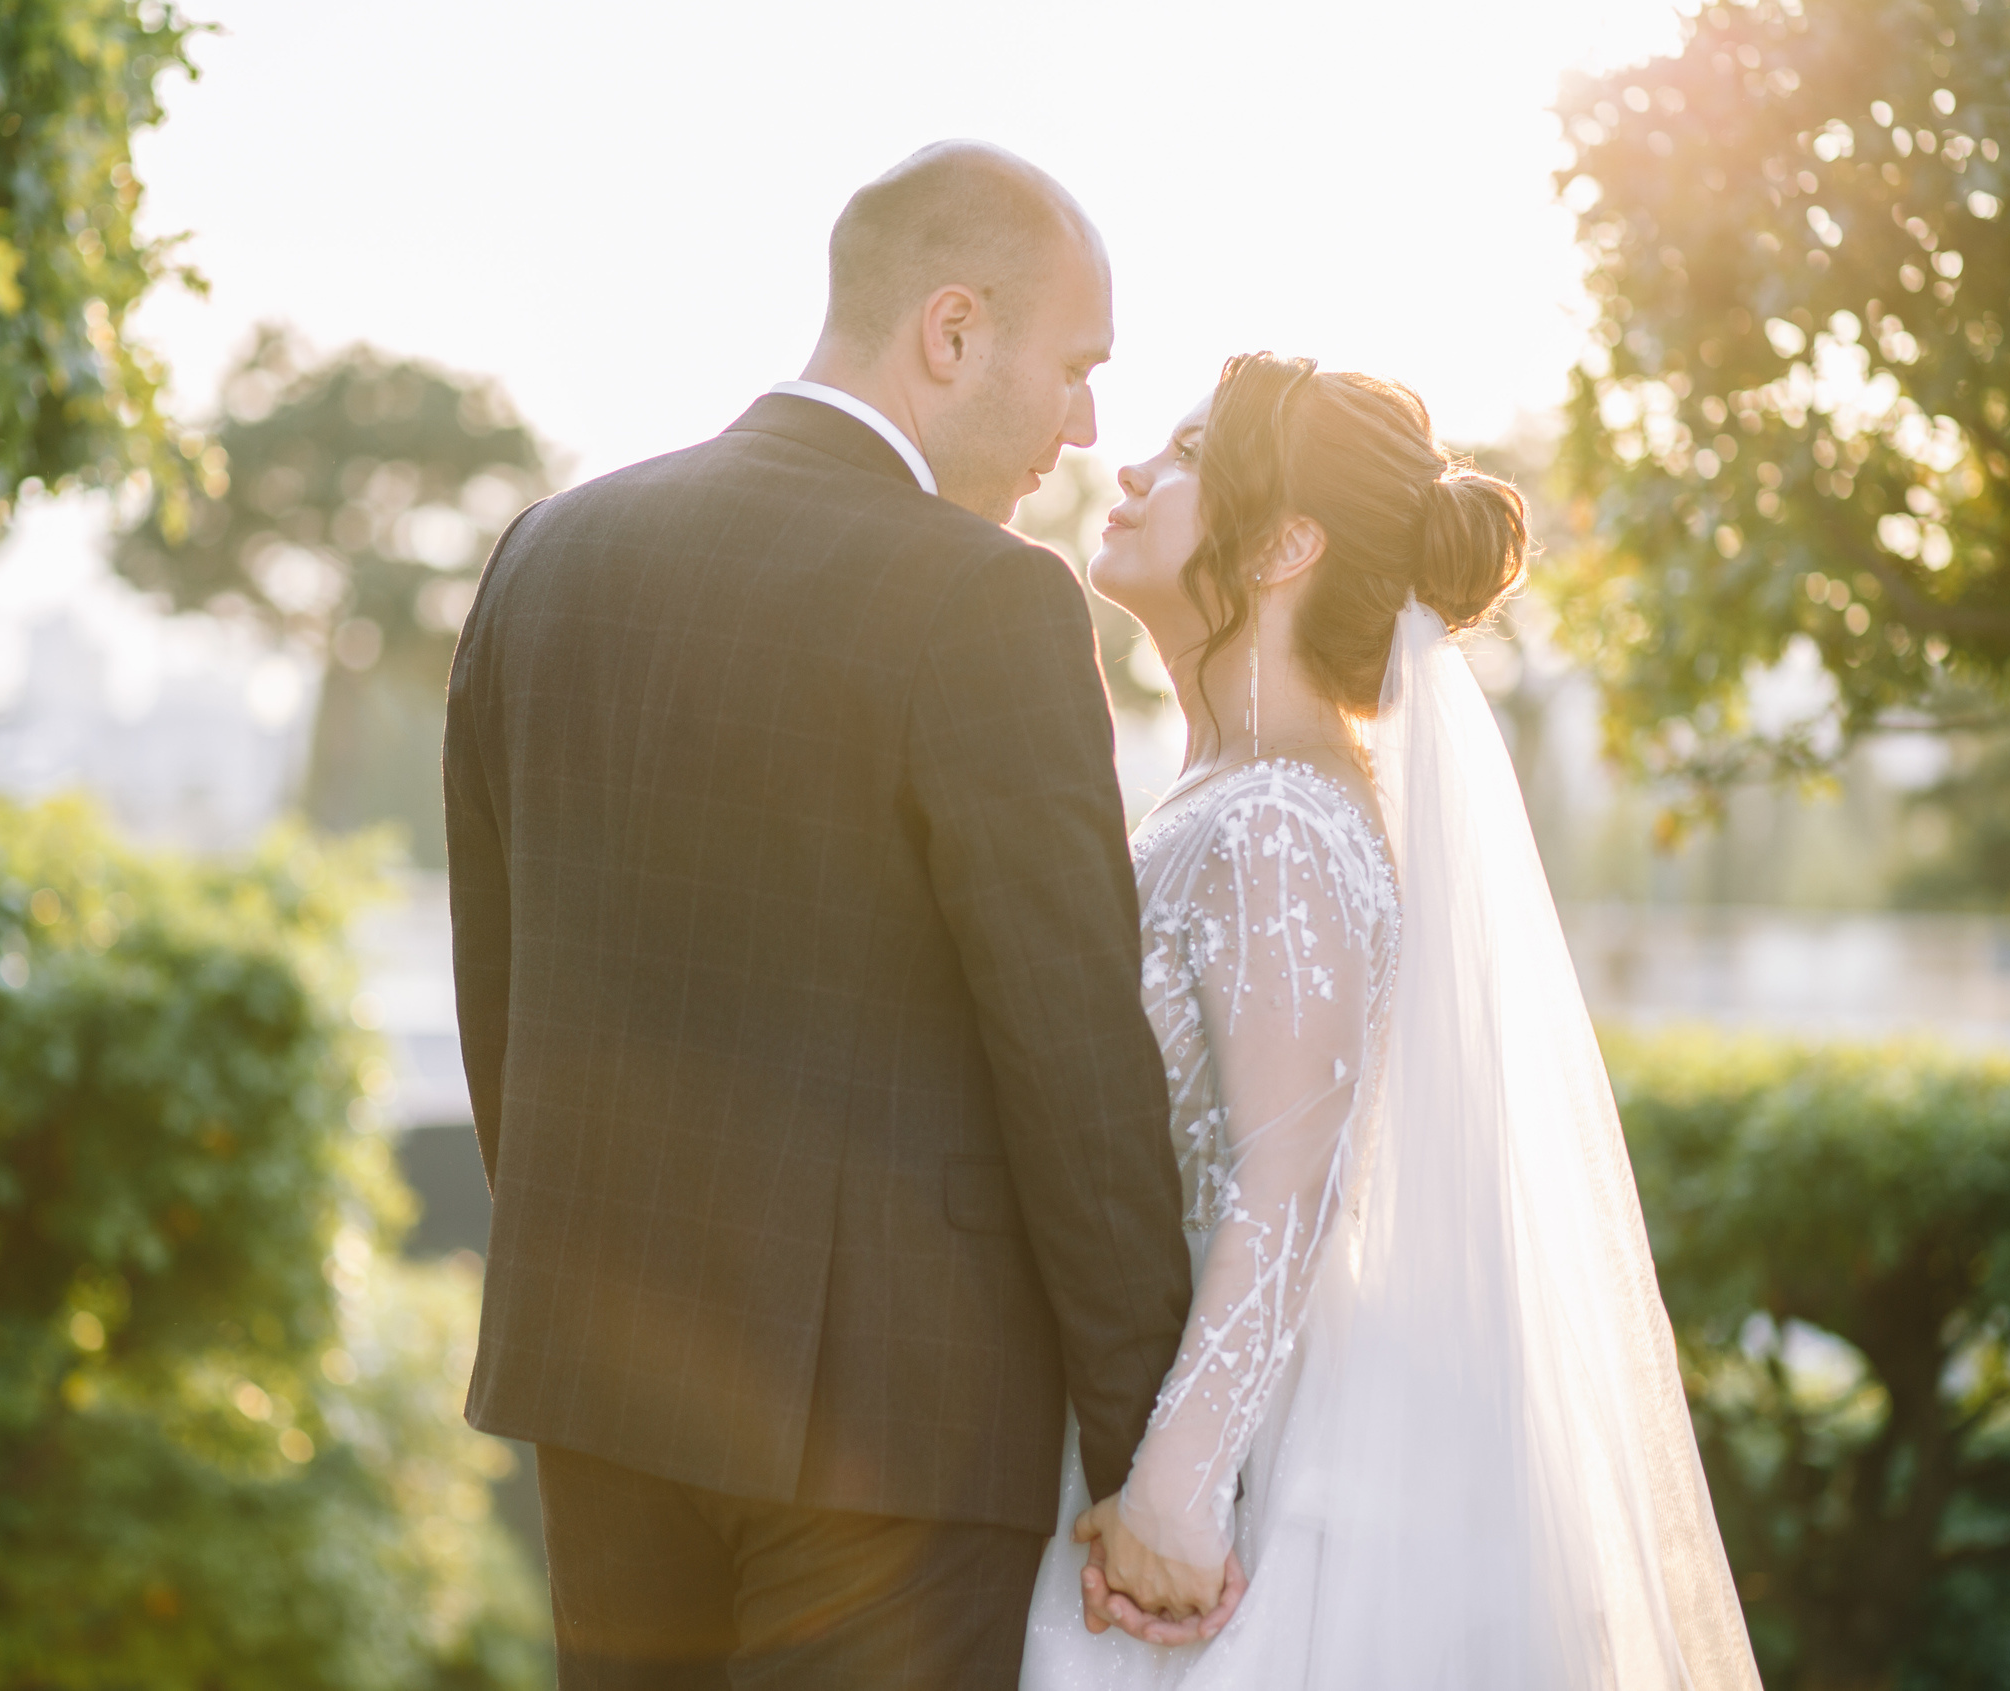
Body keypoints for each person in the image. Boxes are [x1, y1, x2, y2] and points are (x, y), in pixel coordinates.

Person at [441, 142, 1209, 1690]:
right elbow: (1073, 1060)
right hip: (893, 1430)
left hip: (599, 1381)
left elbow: (496, 991)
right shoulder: (988, 599)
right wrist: (1149, 1448)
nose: (1086, 427)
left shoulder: (550, 552)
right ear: (950, 330)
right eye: (1074, 368)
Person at [1021, 355, 1764, 1689]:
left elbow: (1284, 1188)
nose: (1129, 469)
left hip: (1248, 1499)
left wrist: (1178, 1500)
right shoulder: (1234, 797)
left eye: (1186, 455)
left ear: (1285, 546)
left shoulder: (1282, 824)